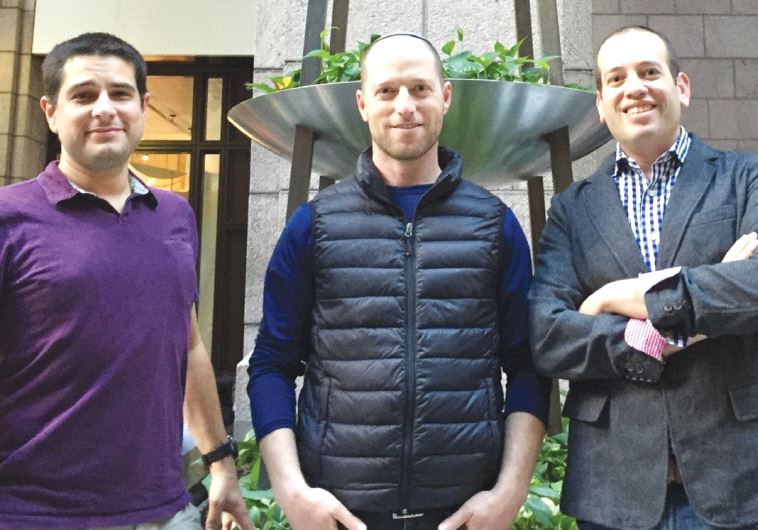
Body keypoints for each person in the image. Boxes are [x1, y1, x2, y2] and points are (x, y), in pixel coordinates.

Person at [248, 33, 551, 530]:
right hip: (342, 512)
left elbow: (528, 364)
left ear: (445, 97)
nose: (404, 106)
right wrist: (290, 490)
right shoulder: (314, 224)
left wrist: (510, 493)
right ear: (363, 104)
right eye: (387, 91)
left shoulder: (493, 224)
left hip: (464, 512)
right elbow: (272, 364)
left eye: (419, 88)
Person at [0, 33, 252, 530]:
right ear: (51, 112)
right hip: (34, 511)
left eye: (119, 93)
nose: (104, 108)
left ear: (143, 106)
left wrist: (221, 465)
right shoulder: (10, 217)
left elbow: (188, 345)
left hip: (163, 505)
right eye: (83, 95)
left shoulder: (174, 215)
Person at [529, 25, 758, 529]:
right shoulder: (572, 210)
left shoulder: (745, 179)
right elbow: (549, 337)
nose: (634, 87)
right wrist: (691, 317)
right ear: (601, 103)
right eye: (616, 78)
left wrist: (615, 297)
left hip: (737, 481)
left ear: (681, 87)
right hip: (613, 489)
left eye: (649, 72)